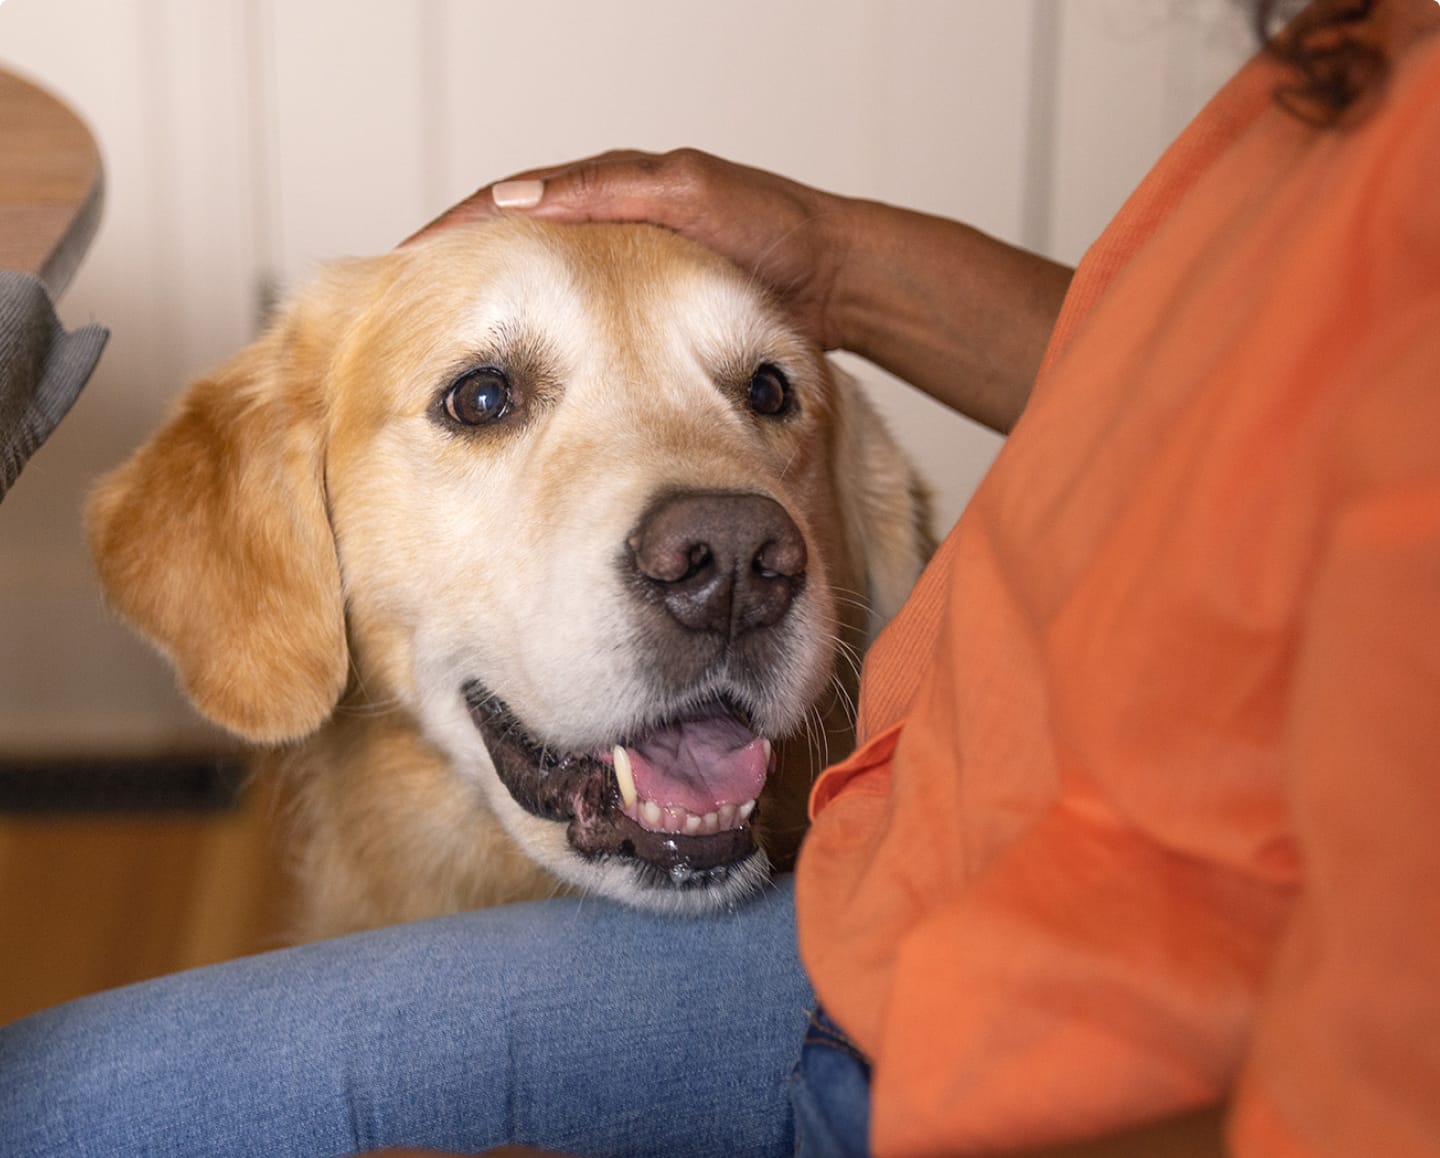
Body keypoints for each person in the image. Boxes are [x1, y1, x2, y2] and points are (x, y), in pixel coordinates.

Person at [2, 1, 1437, 1154]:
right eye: (488, 398)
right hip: (926, 903)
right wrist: (839, 267)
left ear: (868, 528)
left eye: (761, 394)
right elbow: (1227, 396)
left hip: (997, 1029)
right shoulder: (1372, 57)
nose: (732, 542)